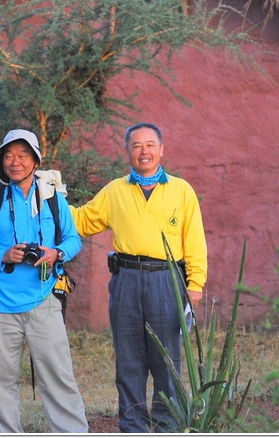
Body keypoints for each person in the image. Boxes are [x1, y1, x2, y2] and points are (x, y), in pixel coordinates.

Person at [71, 122, 208, 433]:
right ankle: (132, 426)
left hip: (167, 281)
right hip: (126, 280)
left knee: (167, 360)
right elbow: (83, 220)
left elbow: (195, 241)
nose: (143, 151)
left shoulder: (181, 190)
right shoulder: (115, 191)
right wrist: (50, 197)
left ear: (161, 150)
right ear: (127, 152)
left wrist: (195, 284)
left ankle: (167, 426)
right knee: (129, 360)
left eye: (150, 145)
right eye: (136, 146)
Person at [0, 129, 88, 433]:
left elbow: (73, 240)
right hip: (0, 305)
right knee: (2, 380)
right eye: (8, 156)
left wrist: (55, 253)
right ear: (0, 161)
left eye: (22, 155)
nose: (14, 162)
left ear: (35, 161)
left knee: (59, 377)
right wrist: (2, 256)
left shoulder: (53, 198)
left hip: (44, 301)